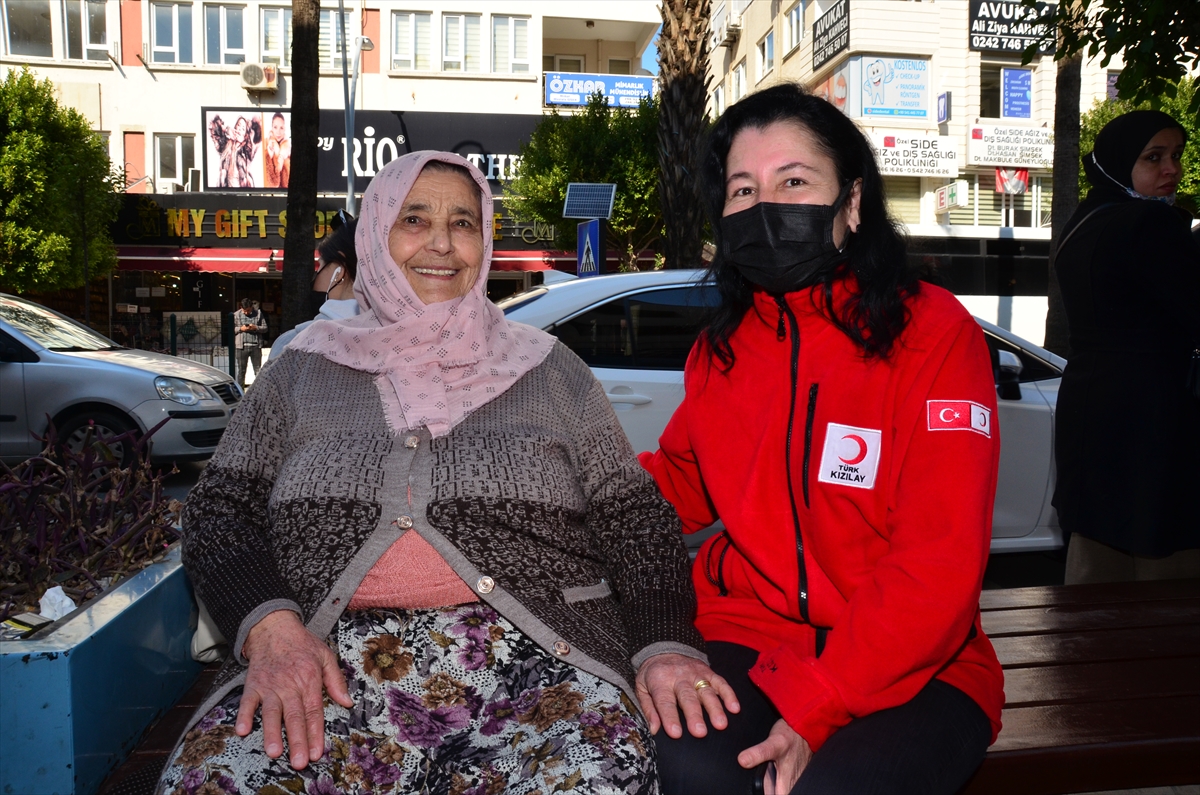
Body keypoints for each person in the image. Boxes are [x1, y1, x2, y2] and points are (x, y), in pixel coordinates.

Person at [158, 151, 732, 795]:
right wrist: (269, 625)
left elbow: (633, 516)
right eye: (414, 218)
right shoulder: (301, 369)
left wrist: (665, 643)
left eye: (463, 222)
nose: (441, 242)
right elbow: (217, 509)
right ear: (375, 233)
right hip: (324, 664)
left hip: (542, 664)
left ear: (485, 242)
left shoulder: (551, 368)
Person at [641, 84, 1004, 795]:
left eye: (795, 181)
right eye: (743, 189)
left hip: (919, 662)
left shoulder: (932, 333)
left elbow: (938, 561)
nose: (766, 205)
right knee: (684, 766)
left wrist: (822, 700)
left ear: (854, 202)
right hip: (750, 635)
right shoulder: (722, 354)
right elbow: (666, 492)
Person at [1052, 110, 1200, 584]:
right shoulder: (1149, 224)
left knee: (1096, 566)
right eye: (1153, 157)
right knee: (1165, 568)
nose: (1171, 168)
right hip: (1153, 417)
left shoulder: (1083, 223)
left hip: (1091, 414)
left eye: (1175, 155)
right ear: (1119, 162)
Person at [268, 215, 360, 361]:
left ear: (339, 271)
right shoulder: (398, 338)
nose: (316, 277)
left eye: (320, 266)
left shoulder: (292, 344)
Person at [233, 297, 266, 389]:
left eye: (249, 310)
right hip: (241, 347)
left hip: (255, 345)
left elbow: (265, 328)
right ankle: (240, 390)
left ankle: (259, 390)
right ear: (241, 307)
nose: (247, 312)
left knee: (258, 370)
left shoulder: (258, 314)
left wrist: (256, 328)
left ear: (252, 307)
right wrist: (241, 329)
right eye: (245, 310)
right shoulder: (236, 315)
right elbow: (231, 329)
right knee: (241, 371)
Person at [264, 111, 291, 189]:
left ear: (285, 129)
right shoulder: (266, 143)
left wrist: (281, 158)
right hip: (269, 190)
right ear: (272, 128)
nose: (278, 132)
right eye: (275, 127)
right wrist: (270, 155)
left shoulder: (287, 146)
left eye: (281, 128)